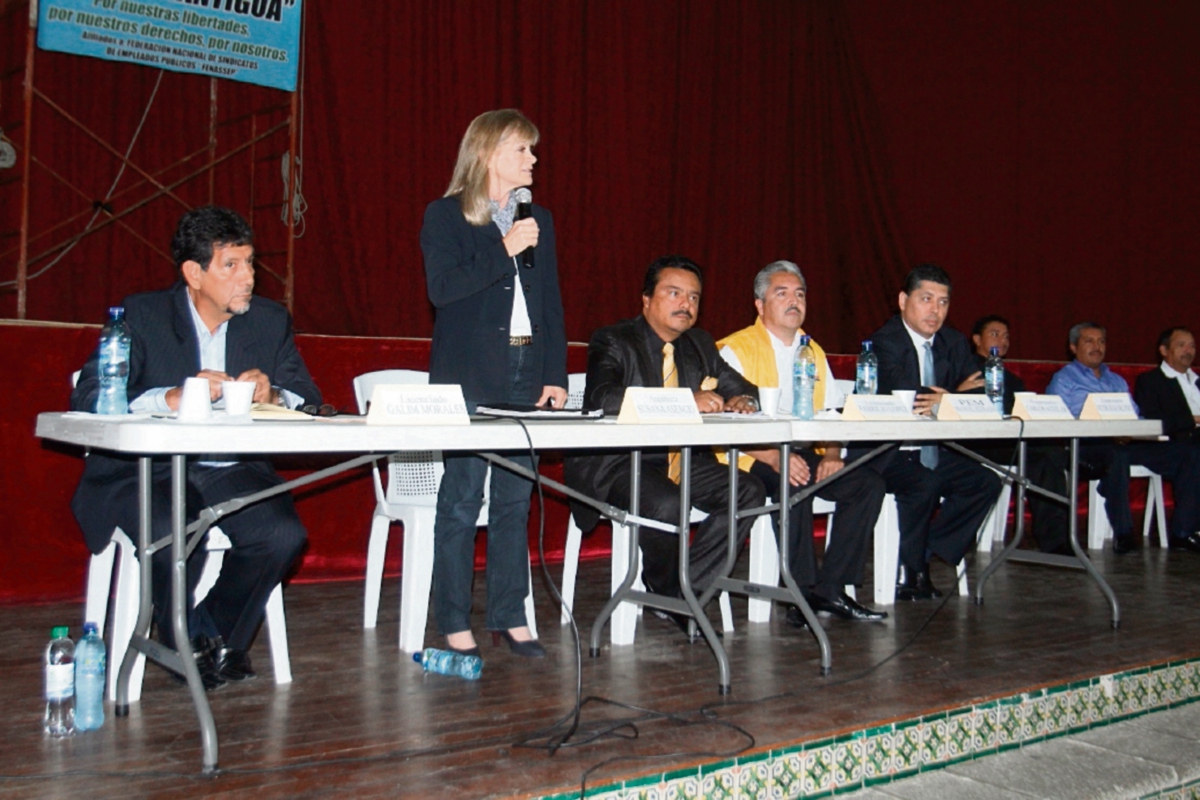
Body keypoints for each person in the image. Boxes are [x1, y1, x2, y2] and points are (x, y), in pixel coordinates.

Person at [70, 206, 322, 690]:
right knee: (175, 527)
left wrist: (274, 395)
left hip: (229, 468)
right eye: (232, 265)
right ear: (194, 273)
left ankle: (203, 635)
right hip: (149, 472)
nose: (248, 277)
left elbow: (309, 399)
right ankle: (189, 641)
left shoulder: (268, 320)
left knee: (281, 533)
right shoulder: (142, 316)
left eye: (250, 263)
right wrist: (169, 397)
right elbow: (88, 395)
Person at [420, 109, 568, 658]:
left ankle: (511, 614)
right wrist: (503, 247)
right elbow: (443, 290)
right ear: (487, 153)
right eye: (522, 150)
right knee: (461, 500)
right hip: (468, 375)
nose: (533, 159)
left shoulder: (540, 220)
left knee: (514, 499)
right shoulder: (446, 216)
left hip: (527, 367)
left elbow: (549, 301)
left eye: (533, 150)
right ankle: (454, 619)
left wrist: (555, 375)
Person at [564, 256, 766, 639]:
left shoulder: (700, 343)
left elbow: (744, 388)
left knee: (749, 489)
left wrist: (743, 402)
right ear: (646, 300)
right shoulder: (613, 338)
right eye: (674, 293)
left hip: (681, 456)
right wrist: (686, 400)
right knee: (668, 501)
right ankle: (666, 588)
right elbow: (602, 398)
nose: (685, 305)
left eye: (693, 297)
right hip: (620, 461)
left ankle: (683, 589)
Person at [716, 260, 887, 627]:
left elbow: (831, 414)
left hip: (802, 452)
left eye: (799, 294)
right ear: (760, 305)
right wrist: (774, 457)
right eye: (782, 293)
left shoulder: (814, 350)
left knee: (867, 483)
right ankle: (799, 591)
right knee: (794, 479)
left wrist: (832, 453)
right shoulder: (735, 349)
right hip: (748, 455)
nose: (794, 301)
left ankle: (830, 587)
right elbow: (723, 425)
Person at [867, 264, 1002, 600]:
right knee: (924, 483)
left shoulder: (953, 342)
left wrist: (949, 397)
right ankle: (912, 571)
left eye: (943, 302)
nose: (935, 310)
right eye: (926, 299)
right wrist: (954, 394)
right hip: (892, 452)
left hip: (936, 449)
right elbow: (909, 395)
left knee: (986, 482)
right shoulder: (885, 341)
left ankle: (923, 553)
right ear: (903, 300)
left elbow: (983, 394)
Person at [1043, 323, 1200, 554]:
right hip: (1088, 445)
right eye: (1089, 341)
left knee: (1190, 453)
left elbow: (1136, 415)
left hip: (1127, 441)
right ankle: (1124, 532)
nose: (1097, 347)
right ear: (1073, 347)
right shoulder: (1064, 379)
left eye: (1102, 341)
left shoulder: (1116, 380)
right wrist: (1107, 430)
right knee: (1115, 456)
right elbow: (1058, 420)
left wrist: (1134, 430)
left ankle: (1183, 532)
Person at [1135, 327, 1200, 448]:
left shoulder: (1197, 381)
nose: (1188, 351)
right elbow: (1152, 420)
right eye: (1181, 345)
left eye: (1192, 346)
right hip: (1178, 445)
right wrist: (1194, 419)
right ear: (1164, 350)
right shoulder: (1150, 381)